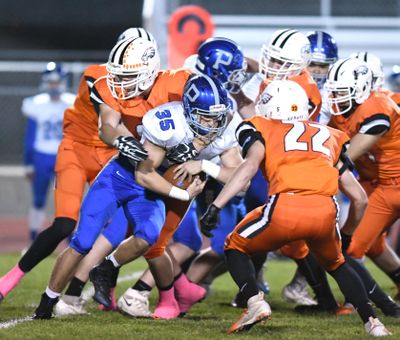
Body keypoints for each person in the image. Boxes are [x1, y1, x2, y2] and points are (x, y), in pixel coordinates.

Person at [31, 34, 206, 319]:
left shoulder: (179, 85)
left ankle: (108, 268)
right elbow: (108, 126)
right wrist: (121, 140)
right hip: (121, 173)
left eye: (128, 76)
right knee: (83, 241)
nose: (118, 83)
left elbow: (205, 119)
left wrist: (199, 156)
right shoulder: (110, 88)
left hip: (154, 179)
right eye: (118, 76)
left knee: (150, 237)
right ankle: (48, 302)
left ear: (149, 72)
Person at [200, 79, 391, 337]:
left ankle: (254, 302)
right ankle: (373, 323)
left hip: (285, 205)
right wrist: (345, 234)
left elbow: (248, 168)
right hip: (326, 210)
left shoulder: (261, 126)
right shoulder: (329, 135)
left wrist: (216, 205)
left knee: (235, 246)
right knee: (338, 264)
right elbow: (359, 198)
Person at [0, 27, 152, 305]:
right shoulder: (98, 74)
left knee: (121, 222)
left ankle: (91, 289)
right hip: (77, 150)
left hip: (110, 156)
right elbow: (109, 120)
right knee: (64, 224)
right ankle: (7, 282)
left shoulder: (147, 86)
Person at [90, 73, 244, 319]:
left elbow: (240, 180)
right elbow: (145, 174)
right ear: (188, 111)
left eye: (217, 118)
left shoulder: (227, 124)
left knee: (157, 245)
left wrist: (204, 166)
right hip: (156, 181)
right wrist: (181, 192)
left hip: (188, 183)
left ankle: (162, 298)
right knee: (149, 242)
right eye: (205, 117)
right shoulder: (167, 120)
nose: (213, 125)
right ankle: (163, 295)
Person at [326, 57, 400, 307]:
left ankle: (356, 302)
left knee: (352, 246)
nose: (335, 97)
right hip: (376, 183)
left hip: (392, 184)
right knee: (371, 243)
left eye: (341, 91)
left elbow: (343, 156)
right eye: (333, 90)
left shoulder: (378, 106)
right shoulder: (345, 112)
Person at [281, 30, 339, 307]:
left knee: (322, 233)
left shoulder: (332, 92)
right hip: (286, 164)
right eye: (312, 64)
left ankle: (300, 285)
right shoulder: (288, 84)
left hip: (321, 165)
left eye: (323, 66)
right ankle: (251, 285)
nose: (317, 71)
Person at [22, 62, 75, 243]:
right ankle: (34, 238)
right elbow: (30, 136)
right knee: (38, 198)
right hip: (41, 155)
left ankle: (70, 240)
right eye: (51, 82)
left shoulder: (72, 102)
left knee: (67, 199)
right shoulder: (36, 104)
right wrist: (28, 163)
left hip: (65, 155)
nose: (54, 86)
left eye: (57, 82)